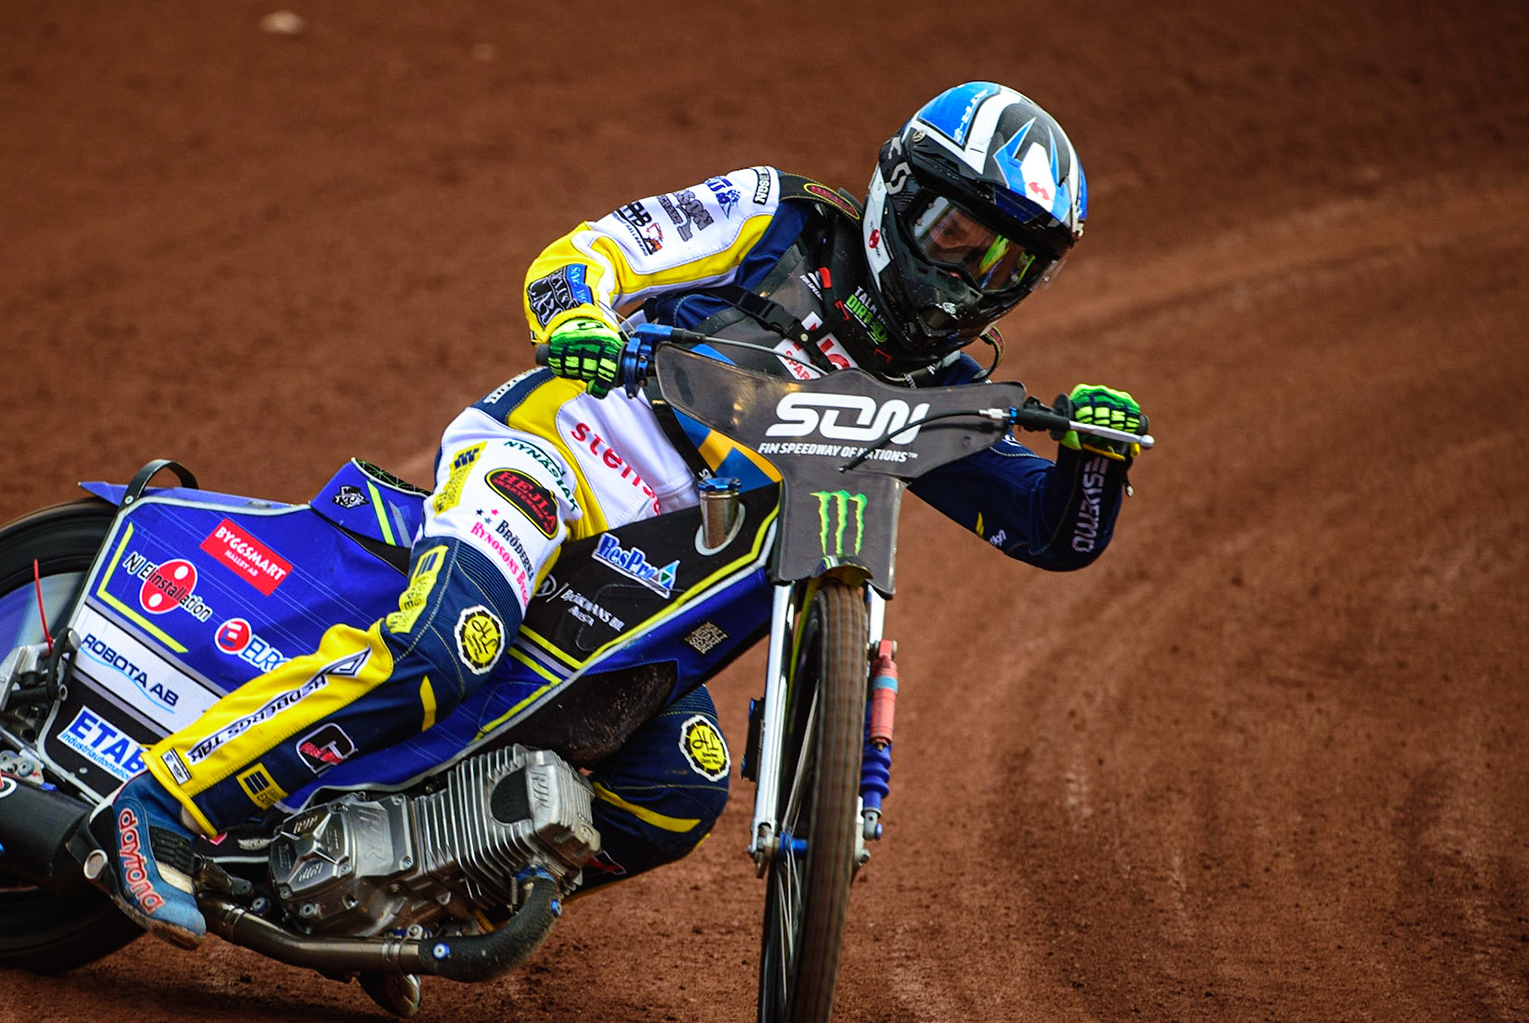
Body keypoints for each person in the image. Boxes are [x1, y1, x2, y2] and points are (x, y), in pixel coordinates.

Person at [101, 82, 1146, 954]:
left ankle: (416, 900)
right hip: (559, 455)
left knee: (678, 786)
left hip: (656, 607)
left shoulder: (937, 394)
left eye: (1007, 261)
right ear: (902, 196)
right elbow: (590, 254)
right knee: (443, 649)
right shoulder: (780, 214)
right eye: (959, 232)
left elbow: (1050, 532)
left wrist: (1093, 460)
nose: (972, 271)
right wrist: (581, 321)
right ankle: (155, 810)